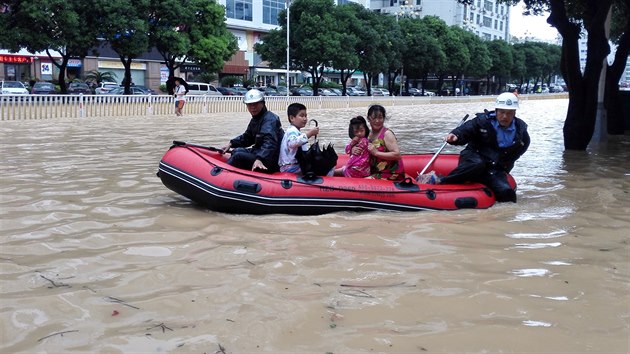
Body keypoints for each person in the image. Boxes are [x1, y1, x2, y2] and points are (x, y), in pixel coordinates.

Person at [421, 92, 530, 203]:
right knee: (477, 164)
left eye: (509, 113)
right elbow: (467, 129)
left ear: (514, 113)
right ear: (496, 110)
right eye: (502, 112)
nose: (505, 117)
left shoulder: (521, 131)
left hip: (494, 168)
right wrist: (456, 136)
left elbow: (520, 150)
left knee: (507, 193)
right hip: (473, 158)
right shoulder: (483, 122)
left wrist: (506, 166)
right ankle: (441, 180)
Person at [222, 89, 284, 173]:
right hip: (260, 152)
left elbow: (270, 143)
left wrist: (260, 158)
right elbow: (247, 137)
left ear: (262, 104)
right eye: (250, 105)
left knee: (238, 156)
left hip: (270, 159)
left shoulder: (270, 119)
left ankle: (222, 173)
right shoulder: (256, 119)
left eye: (255, 104)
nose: (252, 107)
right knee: (236, 151)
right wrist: (231, 143)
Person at [352, 104, 405, 180]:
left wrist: (376, 153)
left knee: (359, 181)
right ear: (369, 118)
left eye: (380, 118)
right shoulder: (367, 134)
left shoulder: (387, 134)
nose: (377, 121)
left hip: (389, 174)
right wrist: (353, 149)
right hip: (373, 172)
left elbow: (397, 155)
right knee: (347, 170)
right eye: (374, 118)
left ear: (384, 118)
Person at [278, 103, 319, 173]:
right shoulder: (292, 131)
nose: (305, 118)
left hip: (294, 165)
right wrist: (309, 134)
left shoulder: (296, 131)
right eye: (302, 116)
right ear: (292, 118)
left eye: (306, 116)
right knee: (319, 168)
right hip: (289, 167)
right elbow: (293, 143)